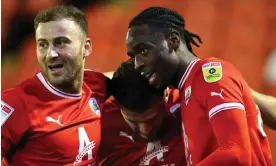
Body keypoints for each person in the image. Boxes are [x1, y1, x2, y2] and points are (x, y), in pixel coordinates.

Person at [126, 7, 272, 165]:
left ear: (173, 40)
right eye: (133, 57)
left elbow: (236, 153)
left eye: (144, 50)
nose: (137, 64)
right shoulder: (186, 91)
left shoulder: (209, 74)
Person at [1, 5, 109, 166]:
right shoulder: (14, 103)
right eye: (43, 44)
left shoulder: (97, 84)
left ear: (86, 48)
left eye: (61, 43)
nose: (51, 54)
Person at [99, 59, 186, 166]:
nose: (145, 130)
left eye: (152, 119)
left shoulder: (185, 102)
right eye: (133, 122)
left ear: (166, 95)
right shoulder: (100, 118)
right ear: (119, 106)